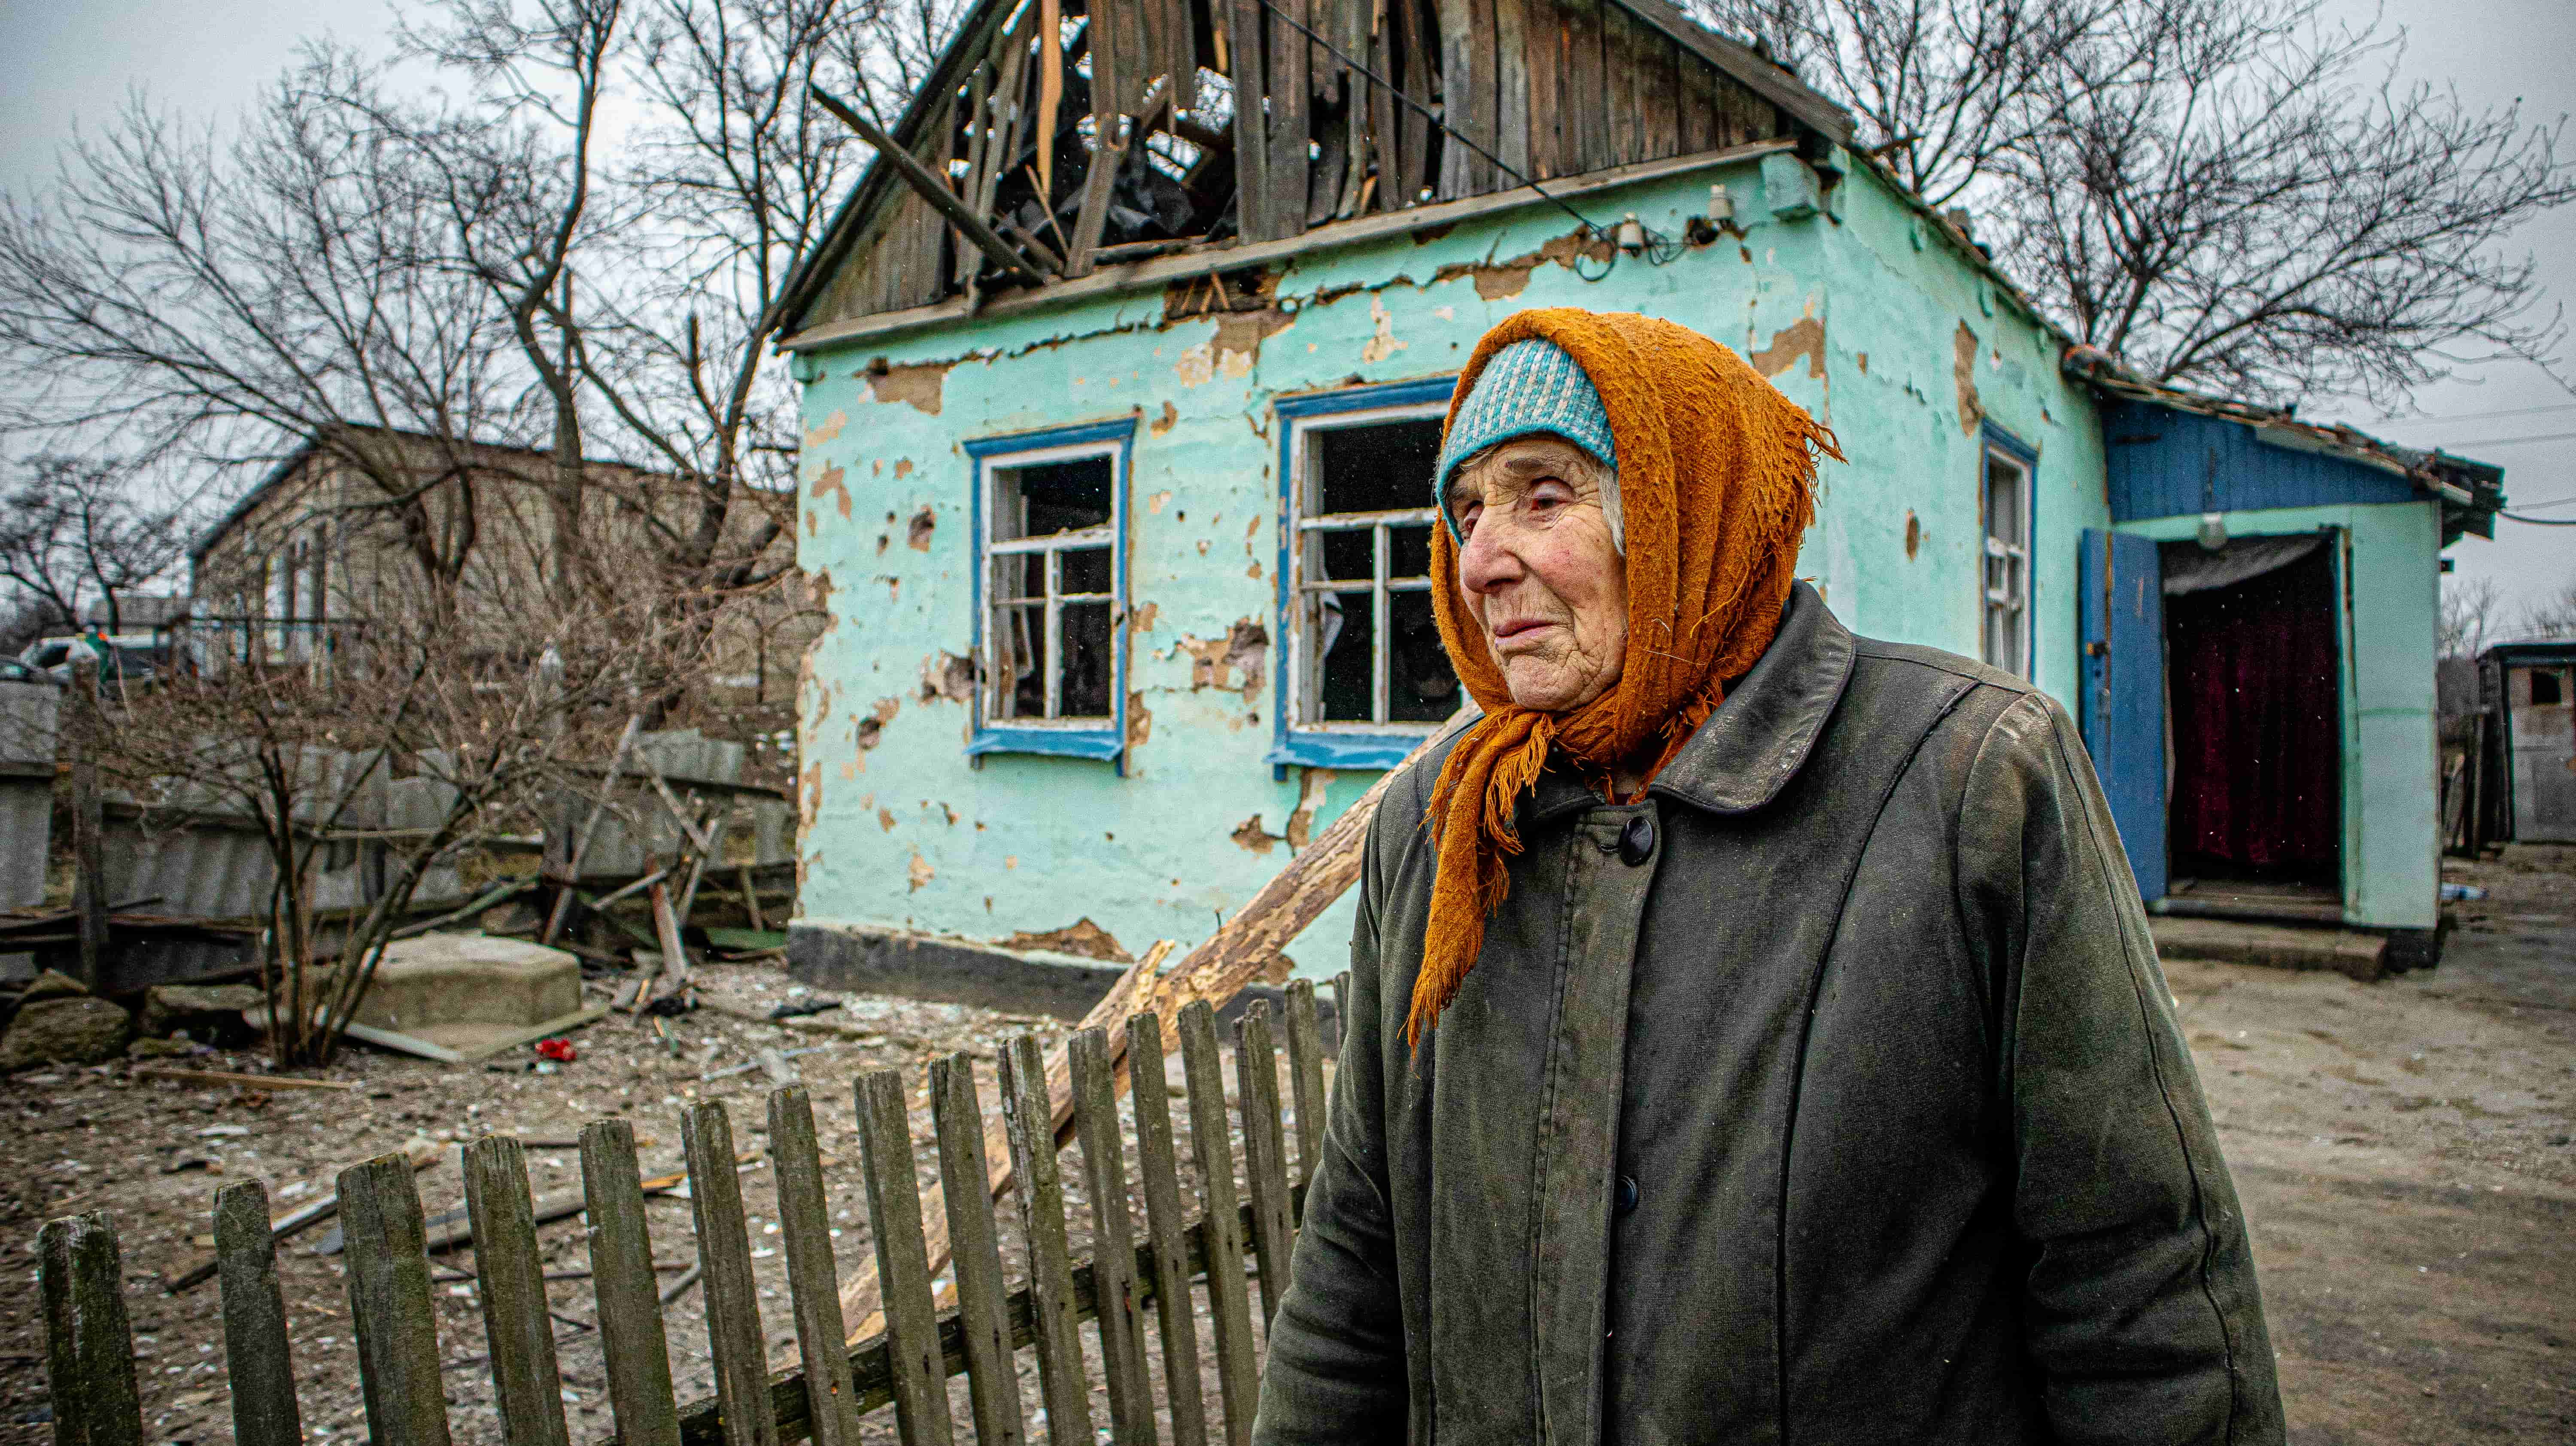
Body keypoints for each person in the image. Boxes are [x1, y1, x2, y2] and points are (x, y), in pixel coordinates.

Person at [1250, 308, 2283, 1444]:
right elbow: (1355, 1262)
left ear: (1693, 499)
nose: (1482, 560)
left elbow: (2138, 1287)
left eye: (1544, 495)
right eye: (1466, 511)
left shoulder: (1973, 782)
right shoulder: (1445, 821)